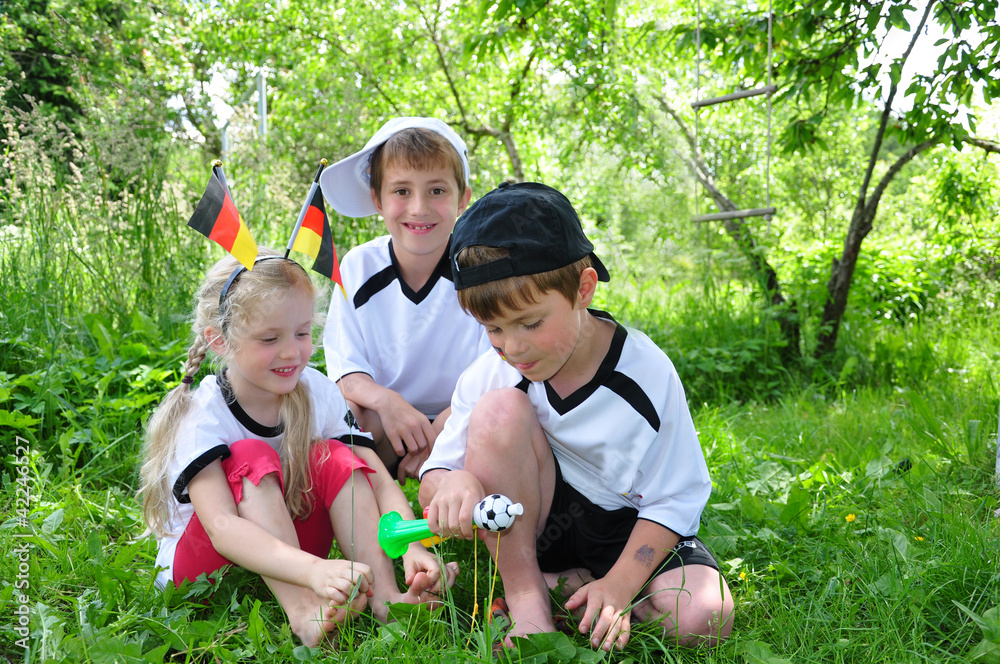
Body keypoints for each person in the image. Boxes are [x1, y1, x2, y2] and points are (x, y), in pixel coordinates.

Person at [418, 182, 734, 651]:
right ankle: (528, 601)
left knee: (704, 616)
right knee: (499, 411)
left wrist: (621, 584)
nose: (513, 347)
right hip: (535, 523)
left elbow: (674, 498)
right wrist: (455, 482)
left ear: (583, 289)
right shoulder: (491, 375)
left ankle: (579, 586)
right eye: (493, 329)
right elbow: (432, 479)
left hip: (629, 530)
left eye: (530, 322)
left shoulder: (645, 373)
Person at [138, 251, 458, 648]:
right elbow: (221, 528)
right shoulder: (203, 414)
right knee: (250, 455)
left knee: (338, 457)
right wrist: (312, 571)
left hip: (291, 547)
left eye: (302, 333)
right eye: (270, 339)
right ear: (220, 341)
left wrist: (411, 544)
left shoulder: (315, 390)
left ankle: (386, 599)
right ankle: (305, 611)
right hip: (208, 567)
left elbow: (377, 479)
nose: (292, 352)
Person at [320, 117, 491, 483]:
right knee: (344, 411)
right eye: (401, 191)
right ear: (377, 199)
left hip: (463, 417)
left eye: (437, 190)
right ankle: (367, 504)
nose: (418, 208)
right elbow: (345, 371)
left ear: (463, 199)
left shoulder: (481, 270)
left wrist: (444, 428)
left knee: (504, 410)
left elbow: (497, 371)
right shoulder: (359, 267)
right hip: (387, 420)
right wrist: (388, 402)